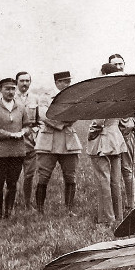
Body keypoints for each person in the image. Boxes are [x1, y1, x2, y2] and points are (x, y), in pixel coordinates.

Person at [86, 63, 128, 226]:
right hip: (115, 137)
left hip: (102, 139)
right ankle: (118, 216)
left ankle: (106, 218)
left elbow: (98, 121)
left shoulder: (102, 92)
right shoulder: (119, 92)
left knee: (103, 179)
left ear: (103, 73)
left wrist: (91, 133)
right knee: (115, 181)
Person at [0, 77, 33, 218]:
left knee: (13, 183)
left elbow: (27, 125)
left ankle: (8, 213)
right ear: (0, 90)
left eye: (13, 88)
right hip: (0, 153)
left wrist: (23, 132)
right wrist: (10, 135)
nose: (11, 91)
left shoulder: (21, 107)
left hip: (18, 152)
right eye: (7, 88)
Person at [34, 71, 82, 213]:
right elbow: (44, 115)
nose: (68, 84)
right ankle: (40, 210)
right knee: (43, 176)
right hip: (48, 141)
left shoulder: (74, 97)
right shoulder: (45, 97)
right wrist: (61, 124)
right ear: (57, 82)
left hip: (69, 140)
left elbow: (76, 115)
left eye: (69, 81)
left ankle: (69, 209)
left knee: (70, 176)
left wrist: (63, 120)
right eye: (65, 81)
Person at [109, 56, 135, 215]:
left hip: (126, 134)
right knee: (110, 171)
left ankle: (130, 204)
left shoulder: (131, 86)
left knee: (127, 169)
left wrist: (133, 124)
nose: (118, 67)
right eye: (115, 65)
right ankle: (113, 205)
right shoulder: (105, 86)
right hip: (109, 134)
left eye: (120, 64)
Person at [14, 71, 40, 208]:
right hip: (14, 142)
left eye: (27, 81)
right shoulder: (10, 97)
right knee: (13, 176)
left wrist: (35, 133)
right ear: (16, 82)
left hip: (31, 142)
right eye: (22, 81)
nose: (24, 84)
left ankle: (27, 203)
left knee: (29, 175)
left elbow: (39, 120)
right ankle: (11, 203)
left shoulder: (35, 99)